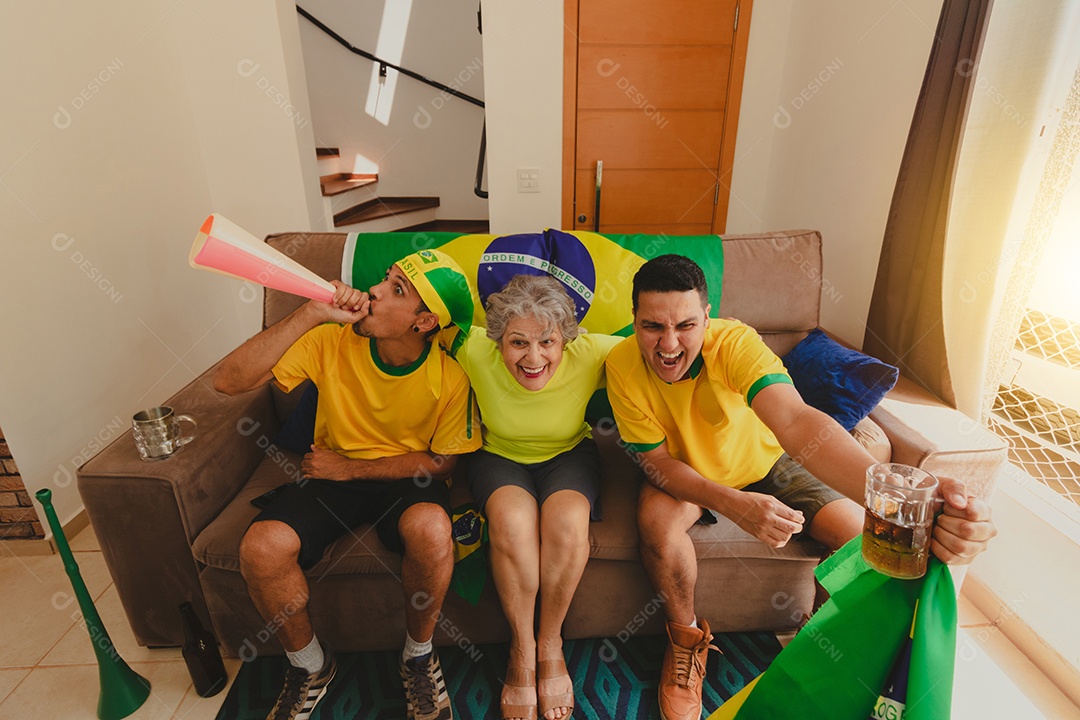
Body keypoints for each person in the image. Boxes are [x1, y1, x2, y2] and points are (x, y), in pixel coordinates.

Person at [604, 255, 998, 720]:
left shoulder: (735, 343)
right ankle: (686, 640)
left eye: (686, 325)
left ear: (707, 319)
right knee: (656, 523)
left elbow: (795, 420)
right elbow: (657, 464)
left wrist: (894, 496)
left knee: (859, 537)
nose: (669, 344)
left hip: (770, 460)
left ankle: (817, 643)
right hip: (689, 471)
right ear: (633, 321)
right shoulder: (621, 364)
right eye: (653, 326)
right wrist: (734, 503)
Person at [214, 249, 480, 720]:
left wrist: (350, 470)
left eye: (397, 290)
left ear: (423, 322)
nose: (374, 290)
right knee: (261, 548)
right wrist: (311, 312)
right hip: (330, 476)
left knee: (433, 530)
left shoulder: (450, 378)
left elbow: (441, 463)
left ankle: (418, 656)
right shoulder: (330, 342)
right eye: (386, 277)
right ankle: (310, 665)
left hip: (398, 477)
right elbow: (228, 382)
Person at [441, 274, 621, 720]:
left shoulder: (594, 351)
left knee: (565, 524)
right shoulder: (472, 348)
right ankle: (521, 651)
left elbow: (665, 343)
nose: (534, 356)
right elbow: (413, 325)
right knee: (512, 524)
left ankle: (550, 643)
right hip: (499, 456)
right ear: (498, 341)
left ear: (566, 341)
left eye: (548, 341)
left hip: (569, 455)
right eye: (518, 343)